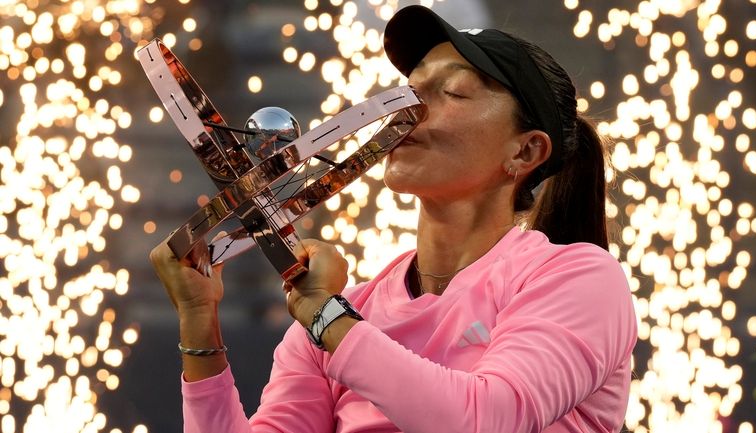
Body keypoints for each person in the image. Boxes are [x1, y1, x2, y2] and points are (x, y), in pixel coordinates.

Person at [150, 5, 637, 433]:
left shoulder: (579, 278)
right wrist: (198, 322)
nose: (408, 109)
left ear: (526, 150)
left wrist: (327, 318)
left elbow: (486, 420)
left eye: (453, 93)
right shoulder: (340, 311)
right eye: (409, 91)